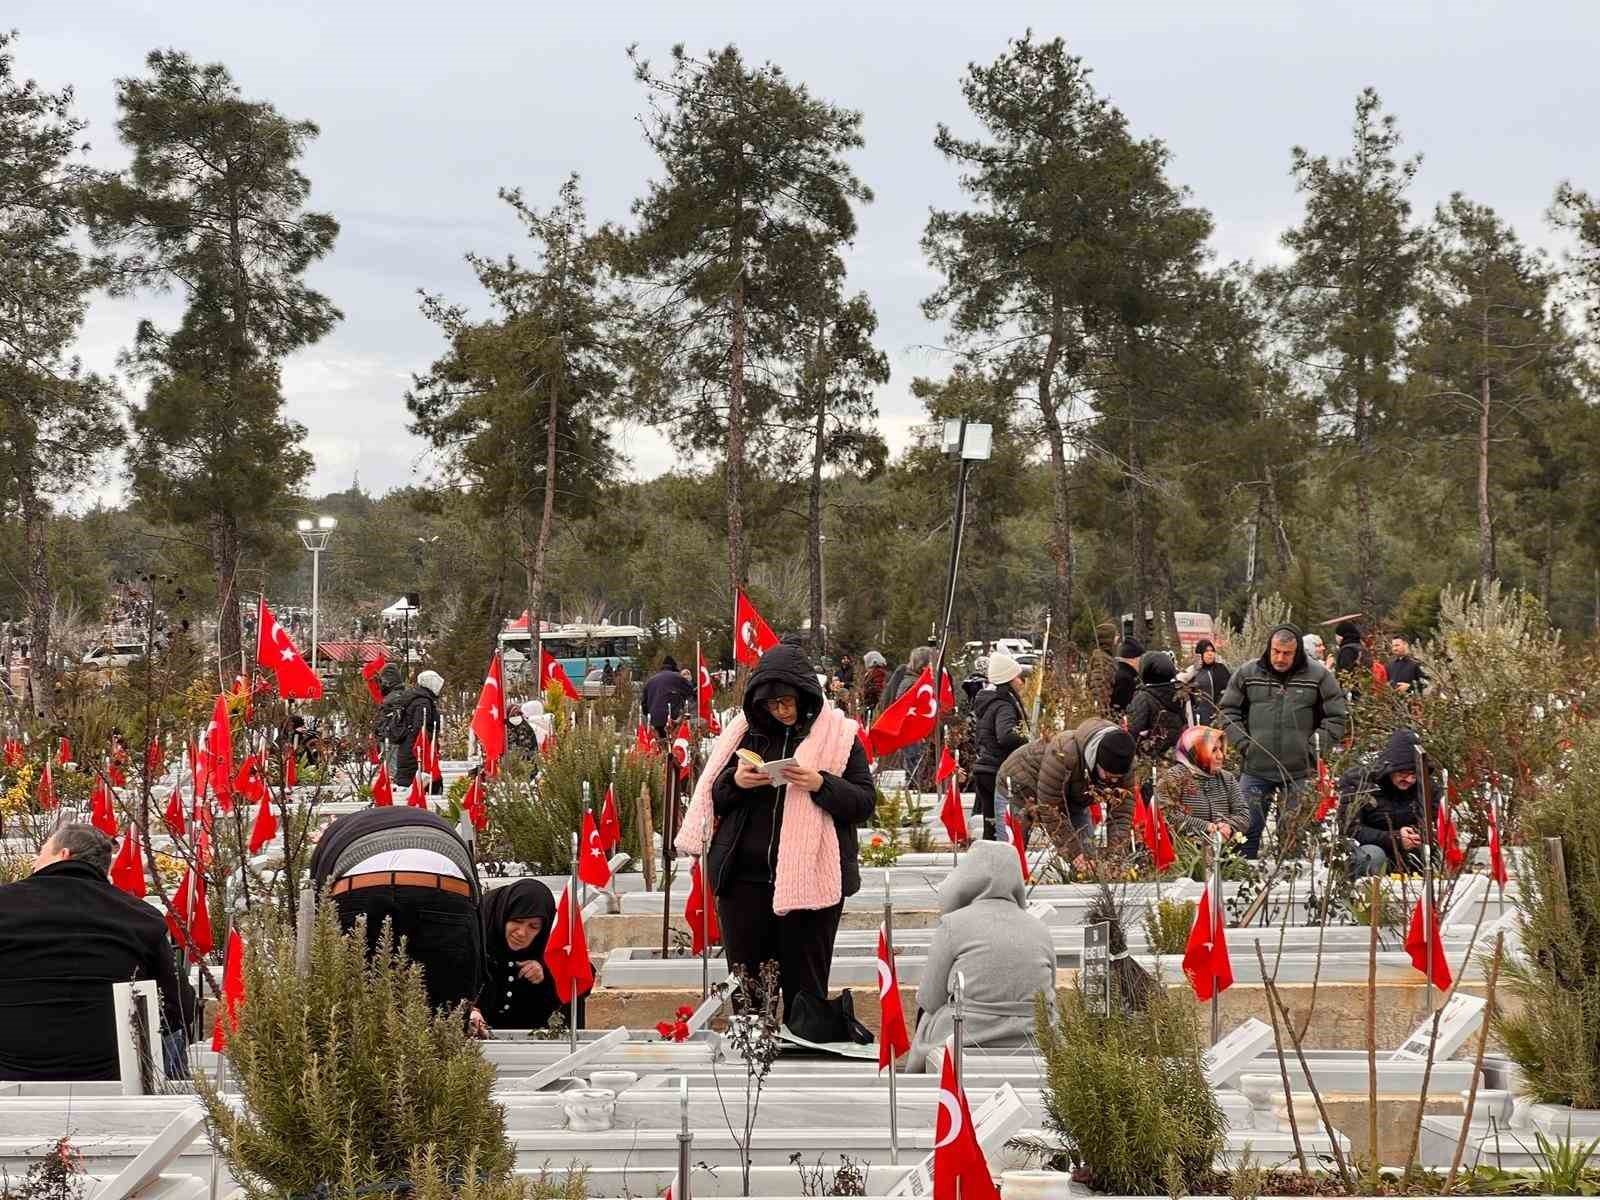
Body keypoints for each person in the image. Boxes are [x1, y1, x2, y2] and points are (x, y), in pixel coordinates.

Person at [675, 642, 874, 1022]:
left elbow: (864, 802)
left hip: (812, 888)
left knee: (805, 992)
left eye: (787, 702)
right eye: (771, 704)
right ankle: (753, 1061)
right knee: (748, 989)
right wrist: (737, 782)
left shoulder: (841, 736)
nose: (780, 711)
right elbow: (713, 794)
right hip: (744, 884)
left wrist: (820, 783)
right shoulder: (743, 734)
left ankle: (800, 1061)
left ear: (806, 697)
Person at [0, 824, 192, 1081]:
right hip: (112, 1075)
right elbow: (179, 1005)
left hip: (9, 1072)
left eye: (42, 851)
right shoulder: (140, 916)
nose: (35, 860)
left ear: (63, 854)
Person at [309, 805, 483, 1016]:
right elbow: (475, 926)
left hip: (358, 880)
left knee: (354, 1015)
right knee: (445, 1015)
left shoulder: (338, 835)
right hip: (443, 881)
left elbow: (321, 910)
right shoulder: (435, 825)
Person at [904, 840, 1055, 1073]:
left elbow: (930, 999)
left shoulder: (953, 924)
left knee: (928, 1018)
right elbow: (1048, 992)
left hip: (965, 1035)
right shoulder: (1040, 929)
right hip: (1032, 1035)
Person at [1219, 623, 1348, 859]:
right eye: (1276, 651)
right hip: (1256, 768)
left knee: (1293, 836)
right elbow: (1228, 711)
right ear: (1269, 648)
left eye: (1287, 653)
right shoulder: (1248, 674)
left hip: (1299, 771)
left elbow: (1337, 717)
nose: (1280, 658)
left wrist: (1313, 748)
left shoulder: (1318, 676)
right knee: (1244, 834)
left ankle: (1289, 888)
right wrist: (1244, 743)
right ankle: (1237, 886)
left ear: (1297, 651)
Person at [997, 719, 1137, 872]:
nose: (1114, 781)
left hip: (1072, 798)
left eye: (1118, 777)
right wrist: (1074, 853)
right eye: (1109, 776)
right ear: (1096, 761)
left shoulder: (1126, 760)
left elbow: (1121, 813)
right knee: (1010, 858)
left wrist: (1115, 857)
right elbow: (1050, 809)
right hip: (1018, 788)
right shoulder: (1063, 752)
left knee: (1090, 860)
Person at [472, 879, 589, 1033]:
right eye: (517, 921)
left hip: (533, 1031)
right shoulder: (480, 927)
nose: (522, 933)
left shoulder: (548, 939)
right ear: (504, 914)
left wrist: (546, 969)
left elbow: (581, 978)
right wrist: (471, 1009)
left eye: (533, 926)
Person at [1341, 728, 1427, 878]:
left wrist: (1418, 834)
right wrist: (1394, 838)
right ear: (1390, 768)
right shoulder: (1360, 783)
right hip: (1370, 848)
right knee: (1372, 856)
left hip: (1410, 852)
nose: (1409, 780)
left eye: (1414, 775)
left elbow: (1434, 821)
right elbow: (1349, 828)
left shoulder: (1425, 787)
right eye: (1403, 774)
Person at [1155, 726, 1250, 844]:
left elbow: (1243, 813)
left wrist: (1229, 827)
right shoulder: (1174, 777)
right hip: (1184, 853)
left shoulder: (1227, 778)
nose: (1220, 756)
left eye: (1221, 749)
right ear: (1196, 752)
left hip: (1221, 852)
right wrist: (1206, 827)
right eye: (1213, 750)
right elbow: (1165, 815)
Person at [970, 653, 1028, 841]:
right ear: (1009, 680)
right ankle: (1001, 865)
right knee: (1002, 828)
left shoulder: (988, 701)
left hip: (985, 768)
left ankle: (988, 863)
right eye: (1018, 677)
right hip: (998, 770)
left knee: (991, 825)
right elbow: (1005, 736)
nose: (1021, 682)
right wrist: (1027, 739)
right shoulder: (1004, 705)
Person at [381, 669, 443, 790]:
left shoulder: (416, 698)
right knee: (415, 786)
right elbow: (420, 729)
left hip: (409, 750)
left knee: (410, 783)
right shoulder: (422, 702)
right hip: (416, 753)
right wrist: (428, 743)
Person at [1125, 652, 1185, 761]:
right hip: (1177, 755)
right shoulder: (1180, 693)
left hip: (1150, 759)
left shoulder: (1143, 697)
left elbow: (1133, 732)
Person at [1179, 639, 1231, 726]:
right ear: (1199, 654)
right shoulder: (1194, 671)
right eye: (1206, 651)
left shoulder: (1221, 669)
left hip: (1221, 717)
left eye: (1212, 651)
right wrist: (1193, 670)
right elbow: (1178, 684)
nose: (1210, 654)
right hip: (1201, 719)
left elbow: (1230, 689)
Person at [642, 656, 694, 739]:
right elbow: (690, 691)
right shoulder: (677, 677)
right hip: (673, 718)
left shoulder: (651, 681)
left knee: (662, 743)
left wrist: (650, 714)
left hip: (655, 719)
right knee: (673, 743)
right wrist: (688, 681)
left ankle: (663, 749)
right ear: (674, 667)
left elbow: (644, 705)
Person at [1109, 638, 1143, 714]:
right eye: (1140, 658)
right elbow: (1120, 709)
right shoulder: (1125, 679)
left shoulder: (1121, 673)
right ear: (1133, 658)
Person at [861, 651, 888, 716]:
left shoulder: (878, 672)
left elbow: (878, 688)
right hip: (871, 703)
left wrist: (867, 691)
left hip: (874, 704)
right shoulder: (871, 672)